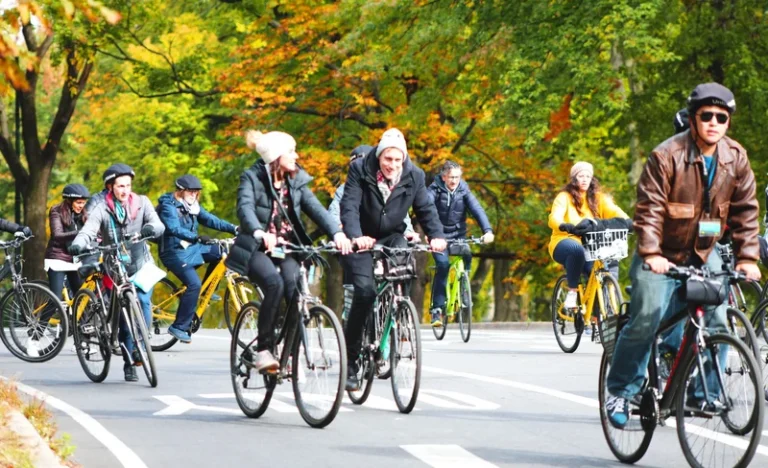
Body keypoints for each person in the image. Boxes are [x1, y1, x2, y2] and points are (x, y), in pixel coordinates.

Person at [605, 83, 762, 428]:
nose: (714, 123)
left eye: (721, 117)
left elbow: (746, 212)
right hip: (661, 250)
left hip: (705, 252)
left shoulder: (736, 157)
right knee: (647, 317)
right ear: (693, 119)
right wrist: (651, 253)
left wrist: (747, 257)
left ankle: (702, 393)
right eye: (706, 116)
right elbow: (649, 210)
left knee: (719, 320)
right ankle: (621, 390)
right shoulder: (666, 155)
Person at [226, 130, 352, 372]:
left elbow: (316, 209)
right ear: (276, 156)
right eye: (291, 151)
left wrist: (337, 233)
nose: (297, 156)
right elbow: (245, 208)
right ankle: (264, 350)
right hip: (257, 248)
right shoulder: (252, 178)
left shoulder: (296, 181)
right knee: (274, 284)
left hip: (287, 248)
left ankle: (289, 353)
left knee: (296, 291)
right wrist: (259, 232)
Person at [340, 127, 446, 390]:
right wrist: (356, 236)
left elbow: (425, 208)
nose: (393, 165)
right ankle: (351, 361)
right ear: (379, 155)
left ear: (404, 159)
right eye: (388, 158)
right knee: (364, 293)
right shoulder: (360, 170)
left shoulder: (414, 175)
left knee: (405, 271)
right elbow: (349, 206)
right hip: (362, 237)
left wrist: (436, 236)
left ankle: (395, 318)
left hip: (393, 236)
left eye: (398, 160)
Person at [70, 163, 166, 382]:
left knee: (143, 300)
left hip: (140, 263)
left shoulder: (142, 203)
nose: (125, 190)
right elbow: (89, 230)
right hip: (114, 266)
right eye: (120, 186)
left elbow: (158, 224)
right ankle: (128, 364)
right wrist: (78, 243)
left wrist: (151, 229)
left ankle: (141, 347)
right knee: (123, 317)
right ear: (110, 187)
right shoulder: (102, 209)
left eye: (128, 185)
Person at [328, 145, 418, 321]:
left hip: (383, 241)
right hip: (358, 243)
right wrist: (339, 230)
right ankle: (353, 313)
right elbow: (335, 214)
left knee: (402, 263)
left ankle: (399, 309)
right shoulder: (345, 189)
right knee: (356, 279)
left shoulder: (388, 187)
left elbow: (401, 214)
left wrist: (409, 232)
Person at [157, 175, 238, 343]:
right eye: (191, 191)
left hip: (192, 248)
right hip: (173, 252)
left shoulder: (193, 207)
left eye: (196, 192)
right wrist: (196, 237)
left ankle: (207, 292)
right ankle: (179, 327)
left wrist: (234, 228)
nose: (194, 195)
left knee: (221, 251)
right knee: (194, 284)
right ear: (180, 191)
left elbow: (211, 220)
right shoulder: (168, 206)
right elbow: (174, 228)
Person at [547, 161, 630, 309]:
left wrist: (629, 222)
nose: (585, 179)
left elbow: (615, 211)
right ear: (574, 178)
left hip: (591, 244)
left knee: (599, 271)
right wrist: (564, 225)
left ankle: (597, 315)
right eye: (581, 176)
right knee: (577, 250)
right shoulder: (564, 197)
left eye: (588, 176)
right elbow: (554, 217)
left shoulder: (598, 198)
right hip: (564, 240)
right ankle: (572, 292)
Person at [426, 160, 494, 327]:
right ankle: (437, 310)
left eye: (457, 177)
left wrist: (487, 230)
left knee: (467, 255)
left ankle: (464, 285)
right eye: (451, 177)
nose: (454, 181)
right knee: (443, 266)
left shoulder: (464, 190)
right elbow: (426, 209)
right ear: (443, 177)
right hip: (439, 236)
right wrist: (431, 234)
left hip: (458, 235)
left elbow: (477, 209)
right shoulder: (434, 190)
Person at [44, 184, 90, 301]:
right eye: (78, 202)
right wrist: (80, 233)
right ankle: (45, 315)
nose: (81, 206)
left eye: (83, 202)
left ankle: (78, 314)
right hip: (57, 259)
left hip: (75, 260)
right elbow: (57, 235)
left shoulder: (84, 213)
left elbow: (95, 231)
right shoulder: (56, 211)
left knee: (80, 298)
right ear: (69, 201)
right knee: (56, 301)